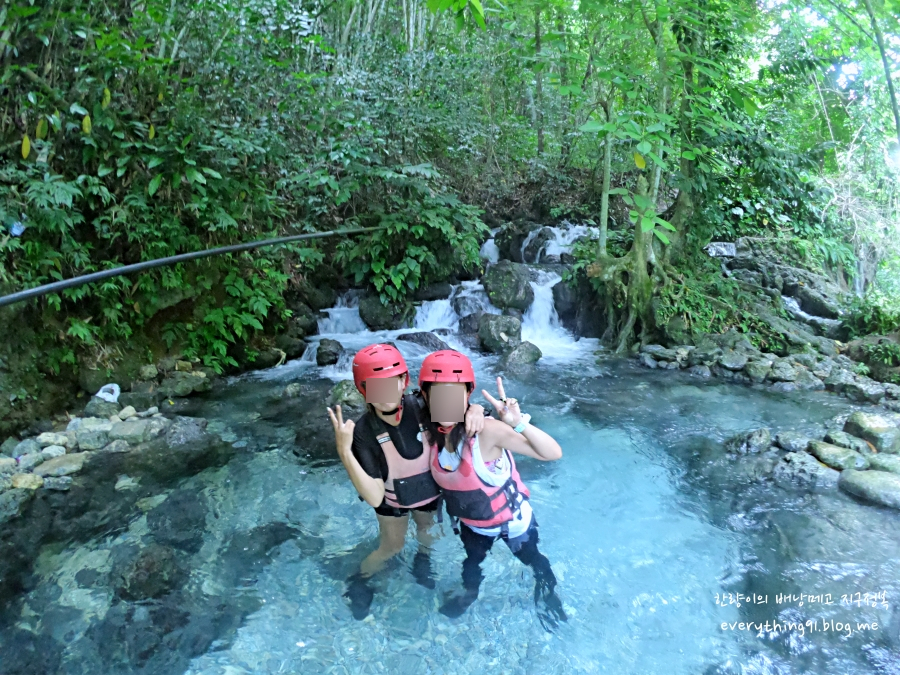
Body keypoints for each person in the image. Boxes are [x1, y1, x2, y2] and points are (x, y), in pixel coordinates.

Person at [327, 343, 486, 619]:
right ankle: (359, 579)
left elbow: (460, 407)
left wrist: (476, 410)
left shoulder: (422, 407)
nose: (386, 392)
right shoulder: (363, 431)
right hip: (391, 501)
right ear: (363, 389)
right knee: (392, 547)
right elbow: (376, 498)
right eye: (377, 385)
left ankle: (422, 559)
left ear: (405, 381)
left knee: (428, 533)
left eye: (392, 382)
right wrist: (344, 450)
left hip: (428, 493)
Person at [417, 349, 568, 630]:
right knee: (471, 565)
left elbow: (552, 453)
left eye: (454, 395)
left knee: (534, 561)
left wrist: (517, 423)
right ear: (425, 397)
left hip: (514, 523)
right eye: (438, 395)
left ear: (467, 395)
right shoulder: (428, 433)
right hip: (474, 525)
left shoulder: (487, 431)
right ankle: (470, 594)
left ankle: (548, 592)